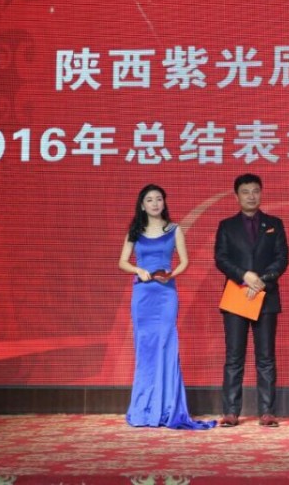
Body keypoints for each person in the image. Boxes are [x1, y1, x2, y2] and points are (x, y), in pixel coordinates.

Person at [117, 184, 216, 430]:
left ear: (164, 202)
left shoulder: (174, 229)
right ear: (142, 205)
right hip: (142, 295)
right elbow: (122, 262)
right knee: (145, 348)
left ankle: (167, 406)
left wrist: (171, 274)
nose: (155, 203)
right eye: (149, 200)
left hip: (165, 294)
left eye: (159, 199)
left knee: (165, 345)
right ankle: (143, 408)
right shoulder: (135, 231)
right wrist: (138, 269)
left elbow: (184, 261)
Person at [214, 173, 289, 428]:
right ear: (236, 196)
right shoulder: (227, 226)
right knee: (234, 357)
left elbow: (282, 258)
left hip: (265, 296)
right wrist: (244, 275)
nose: (251, 196)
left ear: (261, 193)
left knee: (265, 357)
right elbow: (221, 258)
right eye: (245, 192)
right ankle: (230, 412)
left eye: (255, 191)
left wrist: (262, 280)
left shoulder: (274, 224)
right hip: (237, 295)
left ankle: (267, 411)